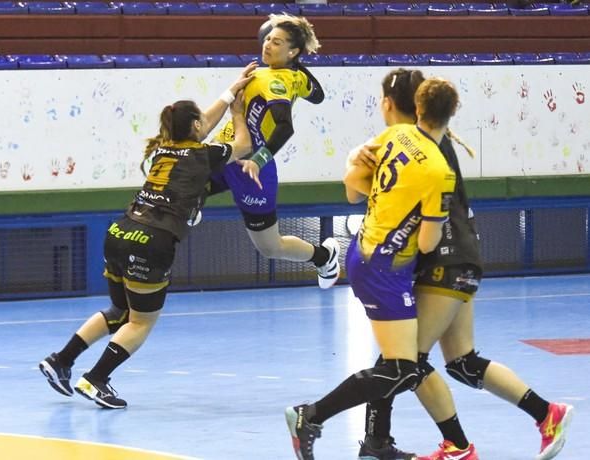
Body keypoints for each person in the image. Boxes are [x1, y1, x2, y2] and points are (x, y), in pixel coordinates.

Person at [350, 69, 574, 460]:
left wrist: (358, 159)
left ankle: (439, 446)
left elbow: (358, 192)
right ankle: (545, 414)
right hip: (462, 258)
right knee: (462, 362)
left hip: (445, 262)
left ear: (390, 104)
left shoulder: (412, 146)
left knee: (405, 361)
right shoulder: (425, 141)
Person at [38, 62, 260, 409]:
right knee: (140, 322)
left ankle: (61, 360)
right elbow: (243, 143)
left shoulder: (162, 148)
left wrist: (231, 89)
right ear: (197, 126)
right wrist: (237, 110)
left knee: (119, 310)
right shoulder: (203, 154)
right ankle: (96, 379)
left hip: (119, 232)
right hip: (152, 240)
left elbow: (200, 125)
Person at [285, 77, 461, 460]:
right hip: (385, 268)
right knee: (403, 368)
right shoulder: (439, 169)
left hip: (365, 250)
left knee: (399, 361)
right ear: (452, 113)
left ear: (418, 109)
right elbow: (429, 243)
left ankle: (376, 442)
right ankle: (311, 415)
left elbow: (352, 187)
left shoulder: (395, 136)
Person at [209, 13, 341, 290]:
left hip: (253, 169)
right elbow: (317, 94)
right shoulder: (291, 75)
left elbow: (284, 127)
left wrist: (259, 160)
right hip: (229, 151)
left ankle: (324, 257)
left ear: (292, 50)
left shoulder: (276, 82)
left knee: (270, 247)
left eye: (277, 42)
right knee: (185, 179)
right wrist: (296, 63)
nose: (267, 44)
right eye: (268, 38)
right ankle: (189, 205)